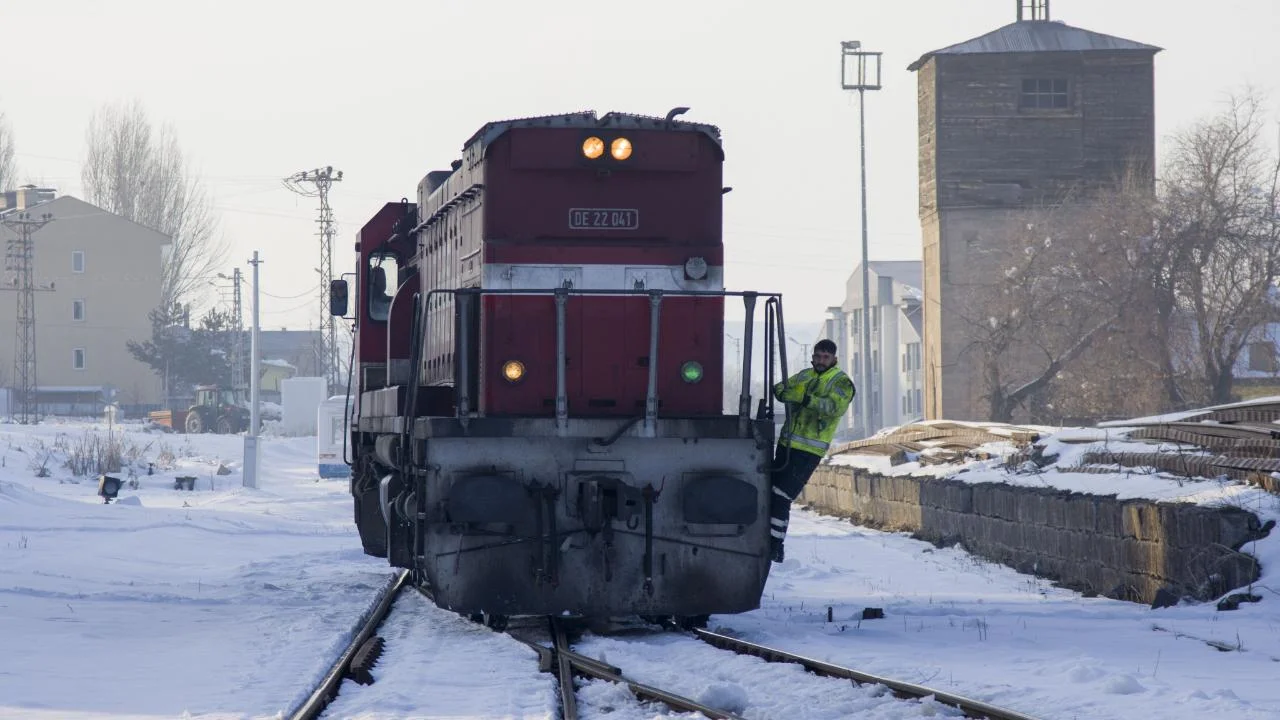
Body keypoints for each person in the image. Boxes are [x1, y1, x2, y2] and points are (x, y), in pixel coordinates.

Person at [769, 338, 855, 562]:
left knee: (782, 494)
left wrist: (805, 398)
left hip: (808, 451)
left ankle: (775, 545)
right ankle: (768, 540)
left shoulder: (841, 382)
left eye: (825, 357)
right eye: (817, 356)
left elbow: (834, 407)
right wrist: (785, 393)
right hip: (787, 445)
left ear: (834, 359)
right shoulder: (804, 376)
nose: (820, 361)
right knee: (770, 492)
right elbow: (780, 388)